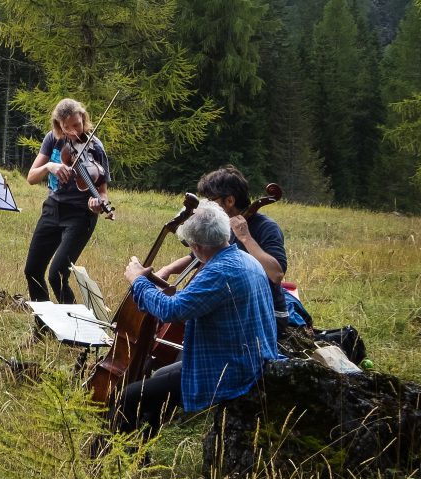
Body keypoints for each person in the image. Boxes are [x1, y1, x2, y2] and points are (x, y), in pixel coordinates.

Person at [104, 202, 278, 442]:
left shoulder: (218, 272)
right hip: (248, 359)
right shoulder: (244, 260)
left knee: (129, 396)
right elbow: (190, 301)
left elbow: (172, 311)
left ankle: (108, 460)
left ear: (196, 246)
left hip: (230, 370)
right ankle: (140, 453)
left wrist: (137, 281)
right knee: (158, 378)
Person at [156, 166, 286, 313]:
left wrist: (245, 237)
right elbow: (197, 257)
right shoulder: (222, 223)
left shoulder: (267, 227)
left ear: (229, 201)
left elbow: (276, 274)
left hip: (265, 311)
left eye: (210, 200)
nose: (205, 205)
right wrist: (168, 269)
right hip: (234, 302)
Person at [23, 98, 112, 304]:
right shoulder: (52, 139)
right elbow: (31, 177)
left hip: (80, 216)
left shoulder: (96, 147)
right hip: (53, 209)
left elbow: (103, 192)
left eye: (77, 125)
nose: (73, 132)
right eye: (66, 127)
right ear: (58, 125)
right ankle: (43, 327)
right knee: (32, 270)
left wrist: (98, 203)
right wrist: (49, 167)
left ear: (83, 119)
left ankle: (74, 328)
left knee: (58, 274)